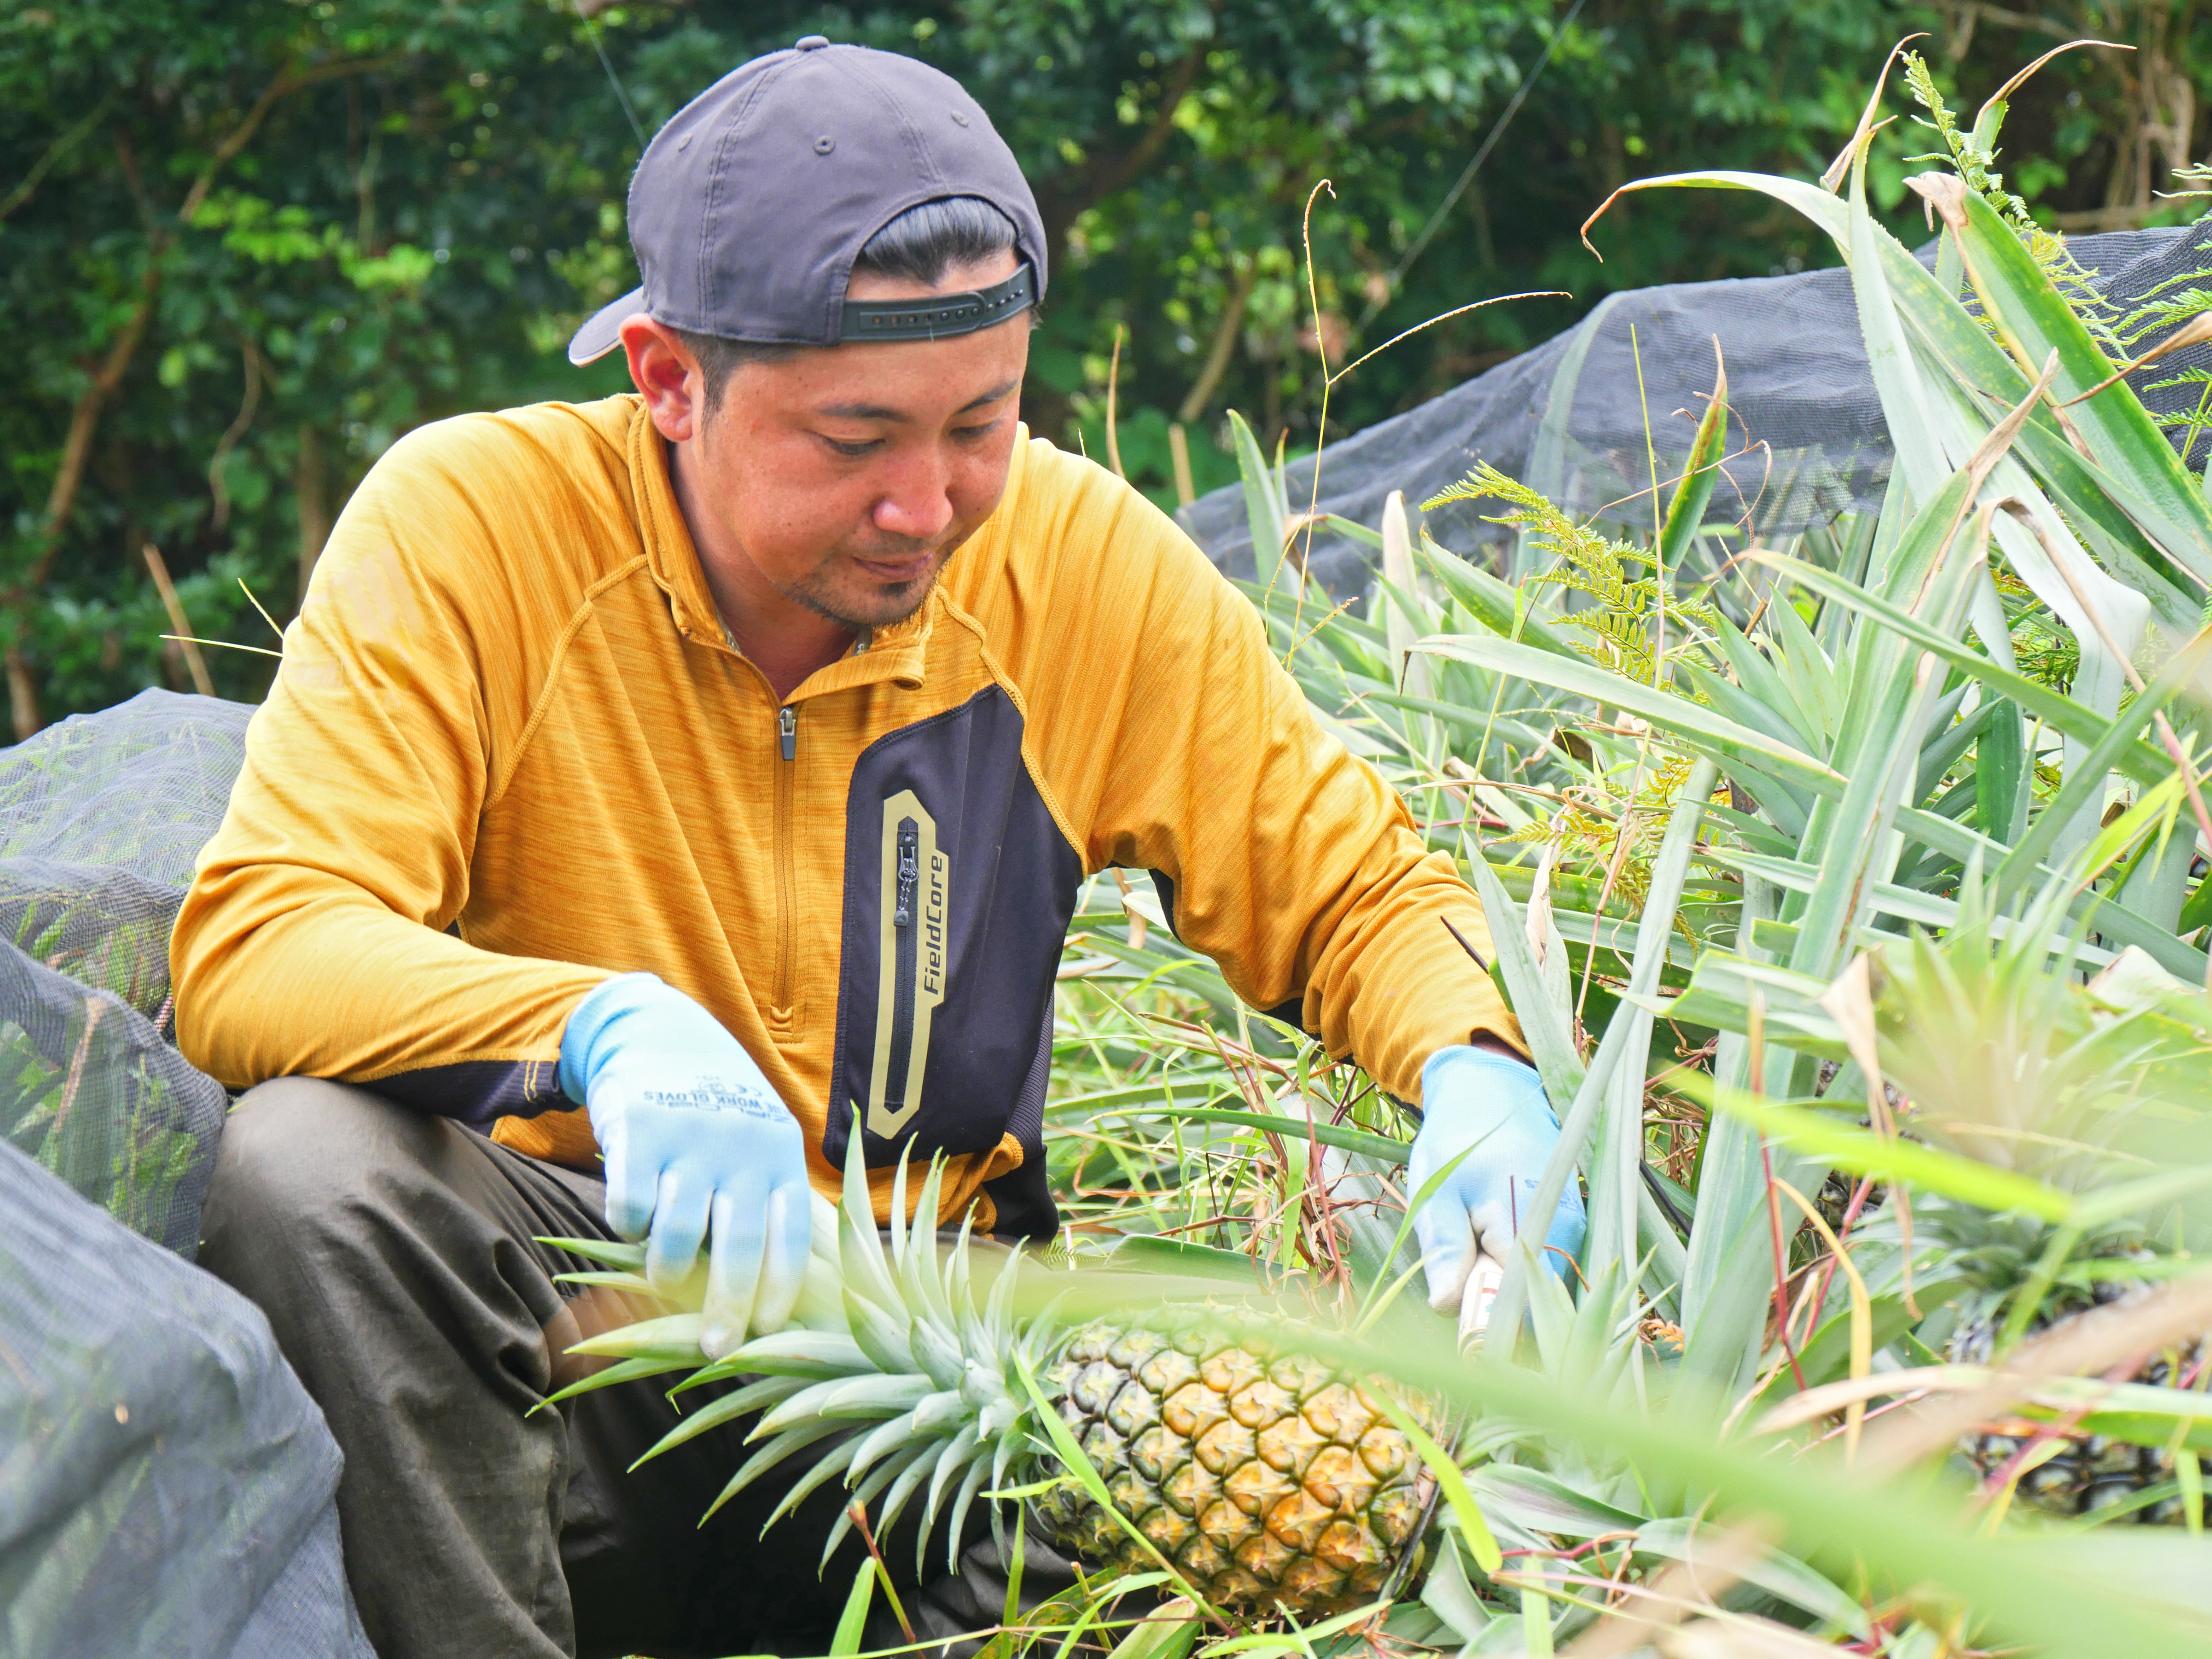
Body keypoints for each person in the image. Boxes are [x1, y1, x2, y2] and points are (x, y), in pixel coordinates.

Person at [171, 37, 1586, 1659]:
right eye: (855, 442)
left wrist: (1479, 1065)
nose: (930, 503)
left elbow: (1353, 888)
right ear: (667, 382)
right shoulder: (476, 527)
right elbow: (258, 934)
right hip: (593, 1341)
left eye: (981, 423)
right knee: (310, 1175)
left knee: (1280, 1455)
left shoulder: (1074, 561)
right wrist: (590, 1032)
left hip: (943, 1376)